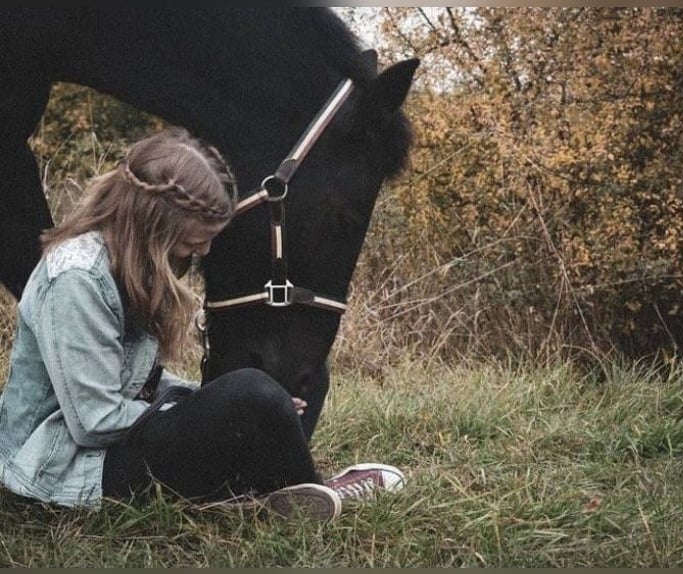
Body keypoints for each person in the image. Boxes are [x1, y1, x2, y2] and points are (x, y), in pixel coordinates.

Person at [0, 127, 403, 520]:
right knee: (253, 393)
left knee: (303, 377)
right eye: (195, 241)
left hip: (115, 445)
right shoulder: (76, 279)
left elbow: (141, 382)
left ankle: (266, 490)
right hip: (70, 467)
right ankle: (311, 489)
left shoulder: (131, 263)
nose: (204, 250)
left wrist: (208, 404)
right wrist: (206, 409)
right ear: (154, 221)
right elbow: (95, 421)